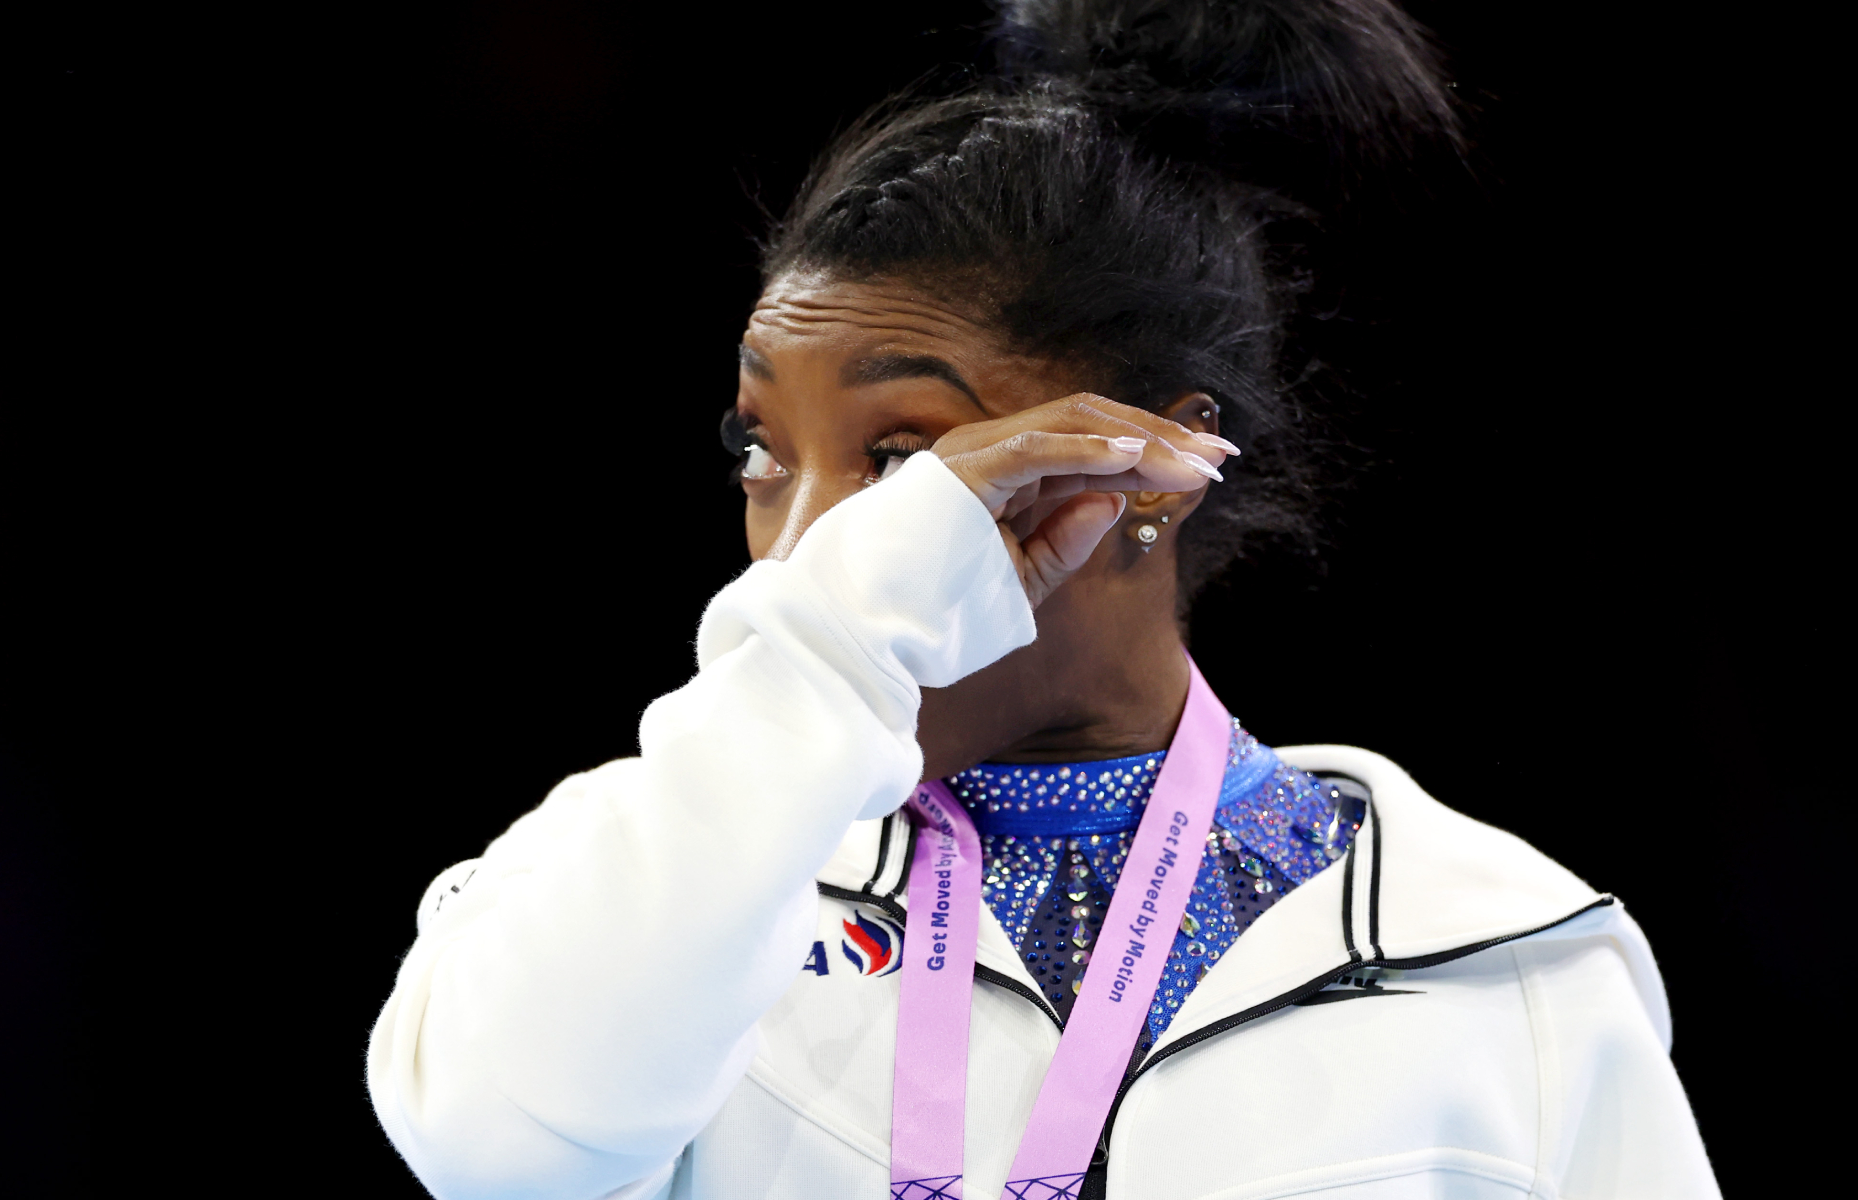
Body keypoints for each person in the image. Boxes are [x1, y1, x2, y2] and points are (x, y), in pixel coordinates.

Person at [368, 2, 1721, 1197]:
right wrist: (832, 649)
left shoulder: (1504, 965)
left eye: (900, 462)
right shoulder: (652, 878)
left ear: (1146, 470)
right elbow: (496, 1150)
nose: (804, 554)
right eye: (761, 457)